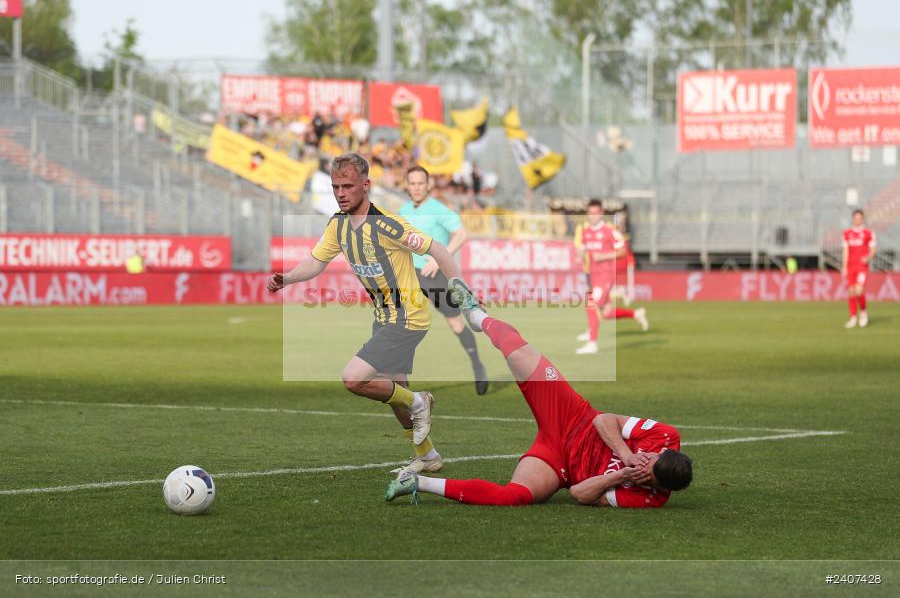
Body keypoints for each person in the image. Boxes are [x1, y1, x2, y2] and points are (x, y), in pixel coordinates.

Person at [385, 278, 692, 508]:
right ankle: (477, 316)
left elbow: (579, 494)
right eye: (648, 459)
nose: (643, 464)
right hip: (574, 416)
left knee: (514, 496)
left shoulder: (648, 497)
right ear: (660, 452)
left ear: (658, 486)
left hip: (560, 463)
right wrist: (627, 454)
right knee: (517, 354)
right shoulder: (664, 437)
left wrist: (621, 476)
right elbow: (605, 420)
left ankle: (416, 482)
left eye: (646, 473)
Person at [267, 153, 470, 474]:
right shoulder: (338, 226)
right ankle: (428, 456)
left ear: (366, 185)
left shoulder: (387, 225)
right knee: (394, 389)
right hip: (384, 318)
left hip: (408, 317)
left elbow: (438, 249)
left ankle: (421, 401)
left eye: (348, 185)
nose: (340, 192)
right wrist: (288, 278)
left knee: (354, 378)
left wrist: (461, 289)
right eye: (335, 186)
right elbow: (316, 262)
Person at [399, 166, 489, 397]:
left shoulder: (439, 210)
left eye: (421, 183)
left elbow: (462, 234)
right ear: (407, 185)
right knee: (404, 325)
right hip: (412, 276)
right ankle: (402, 383)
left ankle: (478, 366)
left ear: (428, 185)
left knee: (456, 324)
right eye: (413, 183)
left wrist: (440, 259)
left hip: (435, 276)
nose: (417, 187)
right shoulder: (403, 210)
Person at [575, 200, 648, 355]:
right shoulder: (586, 232)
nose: (593, 216)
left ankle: (592, 343)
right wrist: (580, 255)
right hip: (593, 275)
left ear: (601, 213)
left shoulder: (610, 230)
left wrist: (604, 256)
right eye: (590, 213)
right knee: (606, 313)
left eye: (596, 213)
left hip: (606, 275)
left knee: (591, 304)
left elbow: (622, 251)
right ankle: (635, 314)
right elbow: (582, 250)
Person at [842, 209, 876, 329]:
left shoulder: (868, 233)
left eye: (859, 218)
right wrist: (844, 267)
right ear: (853, 218)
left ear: (862, 219)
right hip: (850, 266)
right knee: (851, 291)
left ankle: (863, 312)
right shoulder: (847, 233)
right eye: (855, 218)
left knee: (859, 290)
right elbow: (845, 251)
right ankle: (853, 317)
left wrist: (868, 257)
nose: (857, 220)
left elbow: (873, 249)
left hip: (861, 267)